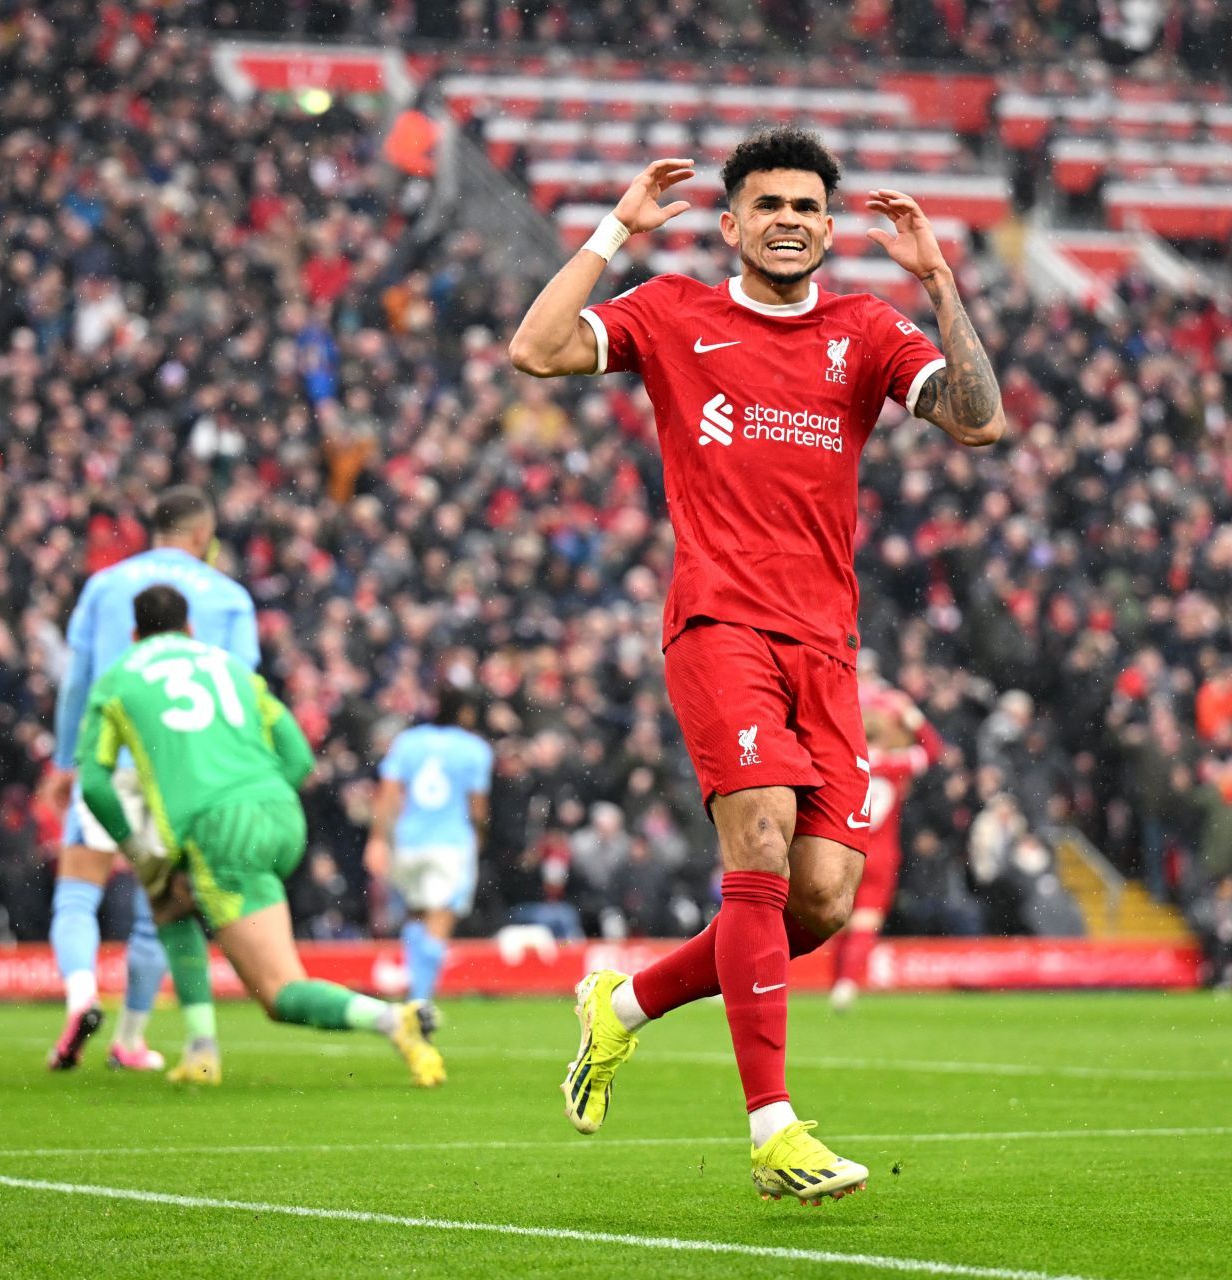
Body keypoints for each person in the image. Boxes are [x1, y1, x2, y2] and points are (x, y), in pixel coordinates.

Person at [509, 127, 1005, 1203]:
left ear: (831, 228)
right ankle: (773, 1127)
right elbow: (536, 349)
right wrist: (612, 233)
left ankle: (624, 1004)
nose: (790, 219)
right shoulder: (674, 310)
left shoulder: (866, 329)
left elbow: (981, 420)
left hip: (828, 647)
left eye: (808, 206)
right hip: (720, 624)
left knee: (821, 899)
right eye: (768, 204)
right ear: (729, 222)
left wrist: (938, 282)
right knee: (764, 840)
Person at [75, 585, 443, 1087]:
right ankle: (201, 1049)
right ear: (190, 629)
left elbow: (94, 783)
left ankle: (391, 1019)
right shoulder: (232, 669)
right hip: (280, 812)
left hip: (218, 824)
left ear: (134, 634)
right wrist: (257, 802)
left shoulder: (117, 678)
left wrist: (138, 849)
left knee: (278, 992)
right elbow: (299, 759)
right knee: (170, 898)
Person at [39, 485, 260, 1074]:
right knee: (157, 908)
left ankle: (81, 996)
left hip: (109, 760)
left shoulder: (106, 585)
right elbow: (242, 693)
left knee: (78, 893)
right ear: (202, 534)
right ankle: (131, 1038)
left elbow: (76, 683)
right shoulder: (231, 598)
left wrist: (67, 761)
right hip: (184, 776)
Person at [365, 687, 494, 1002]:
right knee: (441, 915)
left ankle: (414, 992)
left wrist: (379, 839)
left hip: (409, 842)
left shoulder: (408, 742)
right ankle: (420, 1001)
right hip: (450, 843)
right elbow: (477, 805)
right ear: (464, 713)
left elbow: (389, 794)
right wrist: (479, 836)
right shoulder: (474, 749)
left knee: (416, 916)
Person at [829, 680, 945, 1011]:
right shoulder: (896, 765)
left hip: (843, 849)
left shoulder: (846, 761)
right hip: (880, 854)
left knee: (828, 920)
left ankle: (755, 978)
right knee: (865, 923)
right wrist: (910, 713)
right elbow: (934, 751)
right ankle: (846, 985)